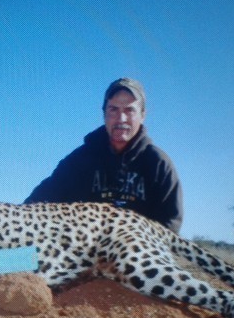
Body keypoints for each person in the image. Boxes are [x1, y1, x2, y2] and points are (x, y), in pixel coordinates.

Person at [24, 78, 183, 233]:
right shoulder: (78, 160)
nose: (121, 119)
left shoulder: (159, 164)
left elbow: (170, 223)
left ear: (143, 115)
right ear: (104, 113)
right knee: (11, 256)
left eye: (129, 110)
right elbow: (40, 200)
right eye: (113, 109)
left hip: (136, 253)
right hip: (83, 251)